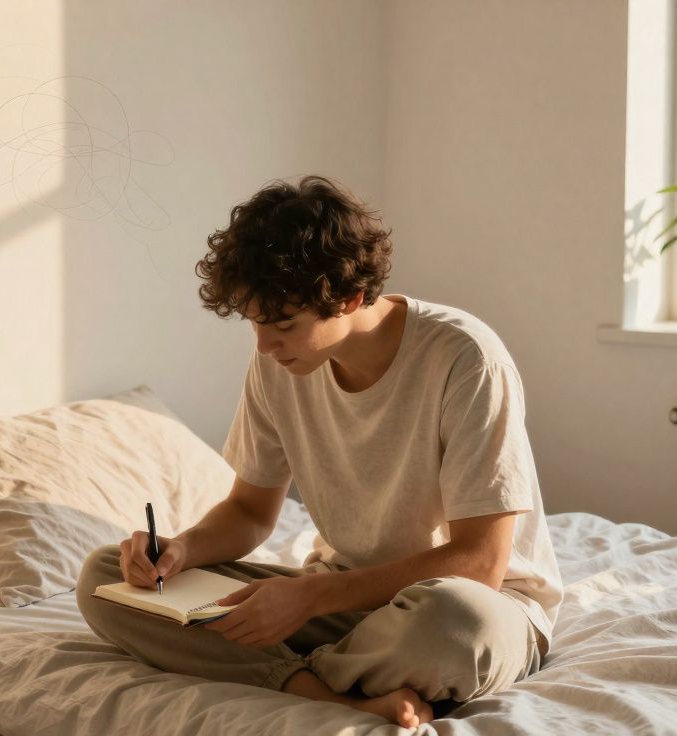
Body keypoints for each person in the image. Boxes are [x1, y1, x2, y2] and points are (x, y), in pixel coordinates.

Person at [76, 175, 562, 728]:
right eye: (255, 321)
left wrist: (309, 599)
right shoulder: (279, 362)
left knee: (457, 622)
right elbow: (249, 512)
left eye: (284, 323)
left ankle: (284, 675)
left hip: (469, 604)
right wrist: (180, 551)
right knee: (105, 578)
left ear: (350, 297)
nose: (264, 344)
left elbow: (479, 564)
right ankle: (336, 694)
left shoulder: (465, 359)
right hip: (340, 603)